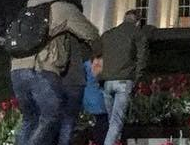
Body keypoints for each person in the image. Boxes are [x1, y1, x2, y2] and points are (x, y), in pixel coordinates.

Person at [10, 0, 99, 145]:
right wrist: (98, 54)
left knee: (30, 119)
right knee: (53, 116)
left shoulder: (25, 10)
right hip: (42, 69)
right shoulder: (60, 7)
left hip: (17, 71)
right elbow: (91, 33)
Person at [97, 9, 149, 145]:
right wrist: (136, 79)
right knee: (116, 122)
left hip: (107, 81)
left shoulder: (108, 34)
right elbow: (142, 58)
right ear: (138, 22)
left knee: (112, 122)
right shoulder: (137, 33)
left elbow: (98, 57)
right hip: (124, 80)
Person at [59, 34, 91, 145]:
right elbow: (88, 57)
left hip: (56, 80)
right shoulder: (78, 36)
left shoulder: (54, 34)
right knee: (69, 119)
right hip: (75, 81)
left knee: (55, 118)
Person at [82, 57, 108, 145]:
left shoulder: (85, 65)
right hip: (100, 103)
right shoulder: (101, 63)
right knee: (101, 133)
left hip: (86, 101)